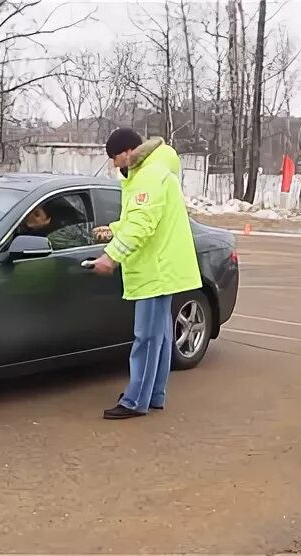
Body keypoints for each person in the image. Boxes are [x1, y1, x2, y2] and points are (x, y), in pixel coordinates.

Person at [91, 128, 201, 420]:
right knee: (159, 338)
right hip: (161, 267)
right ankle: (153, 394)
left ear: (129, 151)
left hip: (155, 268)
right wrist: (113, 229)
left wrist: (111, 257)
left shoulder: (150, 175)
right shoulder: (153, 170)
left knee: (147, 339)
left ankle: (136, 400)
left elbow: (142, 224)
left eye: (115, 158)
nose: (115, 165)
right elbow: (141, 218)